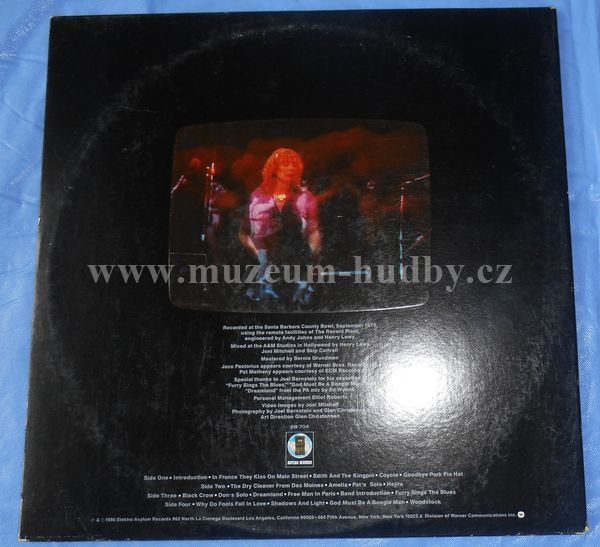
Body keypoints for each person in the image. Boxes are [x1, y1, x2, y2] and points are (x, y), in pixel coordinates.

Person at [239, 148, 320, 304]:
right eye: (285, 164)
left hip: (297, 268)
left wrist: (310, 258)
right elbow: (244, 232)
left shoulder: (305, 197)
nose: (290, 168)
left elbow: (313, 231)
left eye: (294, 165)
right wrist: (259, 255)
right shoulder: (257, 197)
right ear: (274, 168)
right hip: (265, 272)